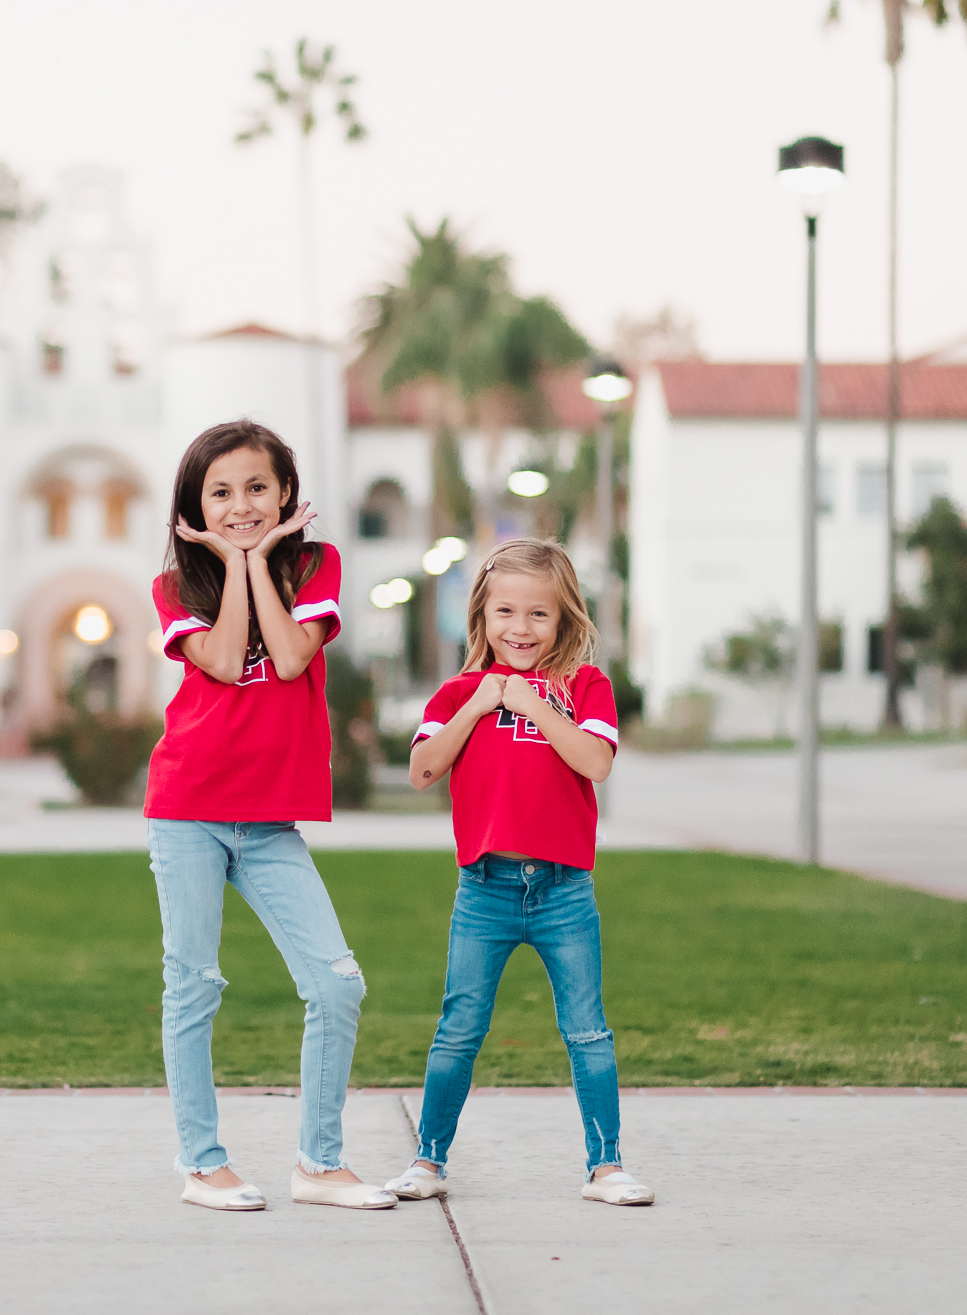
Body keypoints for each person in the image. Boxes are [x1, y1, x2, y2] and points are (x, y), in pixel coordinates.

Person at [145, 419, 395, 1213]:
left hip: (269, 823)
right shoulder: (176, 586)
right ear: (194, 506)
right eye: (220, 492)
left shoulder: (318, 565)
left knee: (337, 983)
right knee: (193, 984)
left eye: (257, 487)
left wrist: (254, 563)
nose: (241, 504)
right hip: (188, 807)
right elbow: (222, 660)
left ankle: (319, 1165)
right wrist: (235, 561)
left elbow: (290, 656)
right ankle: (202, 1163)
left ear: (287, 493)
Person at [384, 537, 655, 1207]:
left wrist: (535, 705)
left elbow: (595, 762)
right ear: (482, 616)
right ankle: (428, 1157)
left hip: (563, 891)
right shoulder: (456, 692)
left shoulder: (584, 687)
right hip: (486, 889)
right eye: (506, 611)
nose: (521, 628)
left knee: (587, 1027)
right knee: (459, 1027)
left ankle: (606, 1165)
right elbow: (422, 770)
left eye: (539, 614)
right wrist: (480, 703)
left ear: (564, 619)